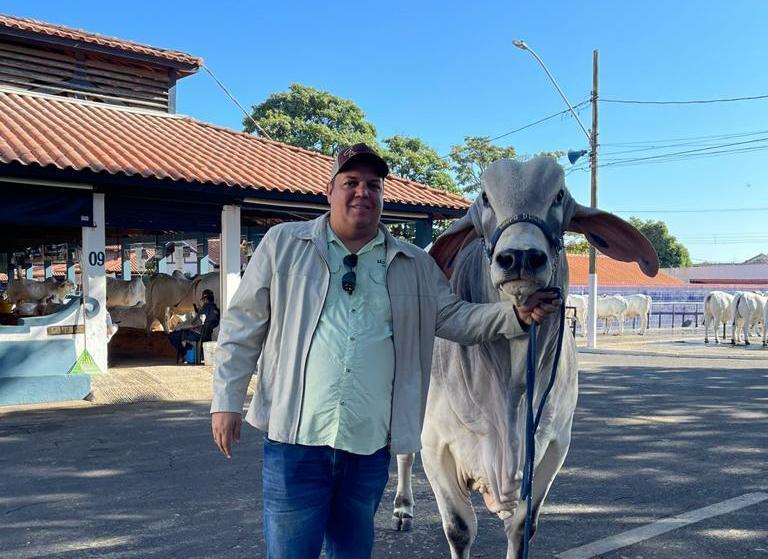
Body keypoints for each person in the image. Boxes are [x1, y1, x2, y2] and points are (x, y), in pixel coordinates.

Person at [210, 143, 560, 558]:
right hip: (295, 442)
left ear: (382, 195)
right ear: (329, 190)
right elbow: (241, 326)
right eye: (351, 183)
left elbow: (456, 318)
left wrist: (516, 317)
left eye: (373, 185)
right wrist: (227, 400)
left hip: (368, 447)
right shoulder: (283, 245)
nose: (362, 192)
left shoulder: (413, 263)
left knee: (352, 552)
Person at [169, 289, 220, 364]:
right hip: (206, 335)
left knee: (174, 335)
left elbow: (198, 321)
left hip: (198, 334)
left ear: (205, 299)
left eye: (203, 300)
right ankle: (186, 352)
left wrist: (193, 323)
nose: (203, 302)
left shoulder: (206, 307)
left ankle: (184, 353)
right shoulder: (216, 309)